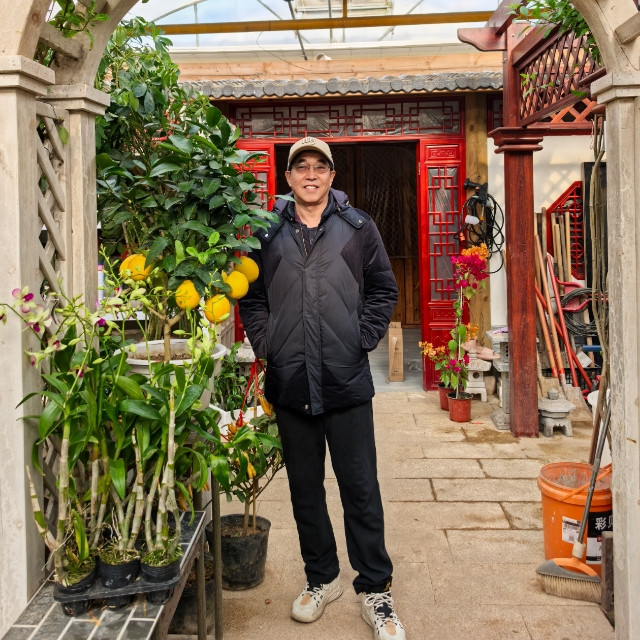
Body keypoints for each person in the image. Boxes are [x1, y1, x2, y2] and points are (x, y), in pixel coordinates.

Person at [238, 136, 406, 640]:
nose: (310, 175)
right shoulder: (267, 233)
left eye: (319, 167)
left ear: (332, 176)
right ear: (288, 178)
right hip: (290, 381)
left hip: (345, 381)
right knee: (305, 490)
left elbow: (383, 290)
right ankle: (322, 577)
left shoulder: (358, 228)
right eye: (301, 167)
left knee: (360, 488)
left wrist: (361, 339)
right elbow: (252, 297)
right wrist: (268, 343)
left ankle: (374, 588)